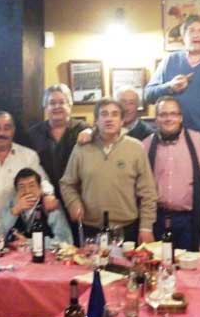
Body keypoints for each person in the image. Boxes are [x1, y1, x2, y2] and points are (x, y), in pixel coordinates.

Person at [60, 98, 158, 244]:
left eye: (114, 114)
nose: (109, 119)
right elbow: (67, 183)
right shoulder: (81, 148)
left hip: (127, 229)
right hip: (90, 230)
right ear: (96, 121)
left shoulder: (136, 148)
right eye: (104, 114)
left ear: (122, 120)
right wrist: (73, 203)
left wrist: (146, 228)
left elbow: (148, 192)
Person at [145, 15, 200, 137]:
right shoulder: (169, 61)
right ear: (183, 37)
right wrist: (170, 87)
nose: (196, 35)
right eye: (191, 30)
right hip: (170, 138)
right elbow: (148, 95)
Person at [142, 96, 200, 250]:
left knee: (188, 269)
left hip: (188, 220)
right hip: (155, 219)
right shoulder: (145, 146)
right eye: (163, 114)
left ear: (180, 117)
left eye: (173, 114)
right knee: (157, 267)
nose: (168, 118)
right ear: (156, 118)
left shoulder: (199, 142)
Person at [26, 84, 89, 239]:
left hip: (79, 201)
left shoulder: (84, 129)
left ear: (70, 105)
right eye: (52, 103)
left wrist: (91, 132)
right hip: (46, 203)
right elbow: (28, 168)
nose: (57, 107)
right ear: (45, 107)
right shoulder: (32, 134)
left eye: (62, 102)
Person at [2, 168, 73, 246]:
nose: (27, 191)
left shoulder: (50, 205)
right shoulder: (12, 205)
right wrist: (14, 212)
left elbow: (65, 241)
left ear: (40, 189)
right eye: (22, 187)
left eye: (32, 185)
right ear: (17, 191)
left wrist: (29, 242)